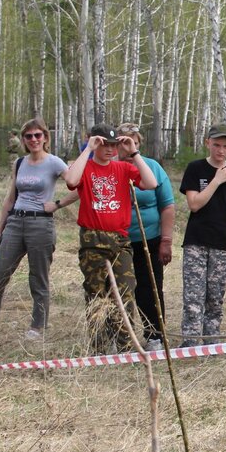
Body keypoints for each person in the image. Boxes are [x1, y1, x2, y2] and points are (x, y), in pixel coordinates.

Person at [0, 118, 77, 337]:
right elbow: (10, 198)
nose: (33, 140)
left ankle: (37, 326)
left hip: (40, 224)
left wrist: (58, 204)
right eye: (29, 136)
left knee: (38, 278)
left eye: (38, 135)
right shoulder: (20, 163)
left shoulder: (54, 162)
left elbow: (79, 185)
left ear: (45, 137)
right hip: (15, 222)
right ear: (23, 139)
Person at [64, 125, 157, 355]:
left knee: (125, 293)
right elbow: (71, 179)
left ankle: (125, 345)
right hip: (93, 240)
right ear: (95, 143)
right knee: (96, 293)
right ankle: (99, 348)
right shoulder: (85, 167)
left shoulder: (123, 168)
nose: (109, 149)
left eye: (114, 145)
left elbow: (151, 183)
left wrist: (133, 152)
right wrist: (88, 150)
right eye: (104, 144)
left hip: (120, 241)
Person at [180, 126, 226, 346]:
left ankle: (211, 341)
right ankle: (190, 342)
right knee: (193, 295)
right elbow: (194, 204)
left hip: (222, 243)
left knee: (215, 297)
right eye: (217, 145)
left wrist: (224, 223)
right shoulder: (195, 168)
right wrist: (216, 180)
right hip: (196, 240)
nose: (221, 150)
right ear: (207, 143)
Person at [116, 123, 176, 352]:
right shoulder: (109, 168)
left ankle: (154, 335)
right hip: (117, 240)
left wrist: (166, 241)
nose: (129, 148)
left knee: (149, 288)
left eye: (134, 143)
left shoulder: (152, 168)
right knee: (119, 289)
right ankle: (119, 336)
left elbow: (168, 206)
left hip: (148, 239)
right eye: (124, 142)